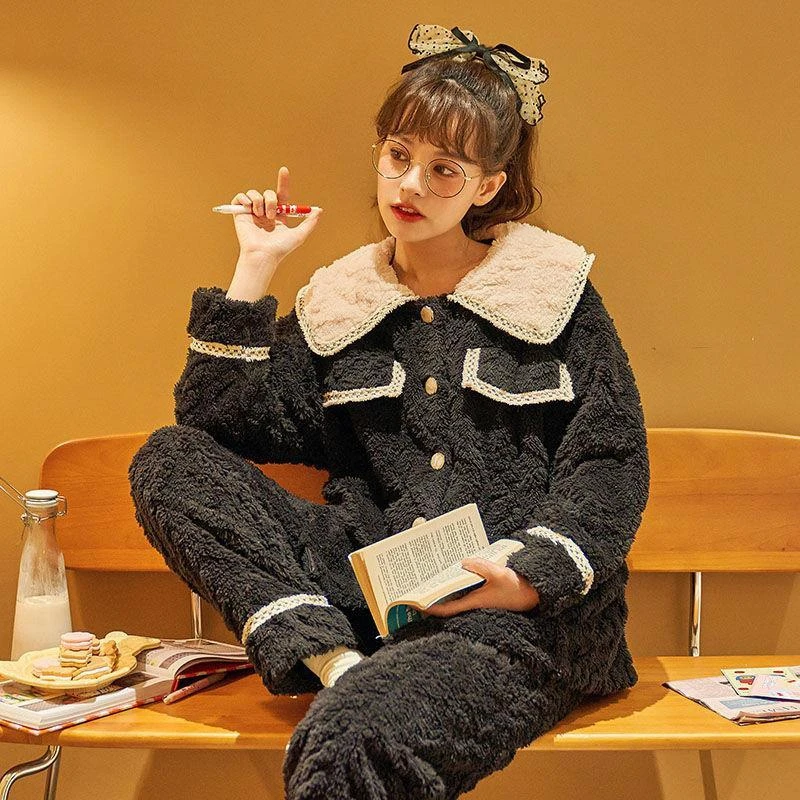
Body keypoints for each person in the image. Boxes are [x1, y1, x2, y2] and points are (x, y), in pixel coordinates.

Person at [128, 22, 650, 800]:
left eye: (444, 170)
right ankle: (326, 657)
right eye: (399, 156)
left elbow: (609, 462)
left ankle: (352, 686)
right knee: (165, 460)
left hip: (518, 624)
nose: (410, 186)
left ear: (488, 186)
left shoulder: (553, 295)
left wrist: (527, 577)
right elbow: (214, 421)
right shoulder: (343, 304)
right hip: (365, 602)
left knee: (350, 742)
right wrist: (256, 266)